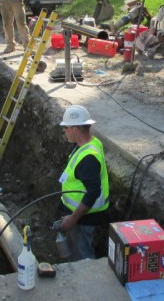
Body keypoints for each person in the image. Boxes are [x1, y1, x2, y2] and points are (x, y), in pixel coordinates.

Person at [56, 105, 110, 260]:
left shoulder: (88, 158)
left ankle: (86, 279)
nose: (64, 131)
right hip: (79, 212)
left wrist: (73, 218)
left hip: (84, 217)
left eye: (65, 128)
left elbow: (93, 192)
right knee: (78, 247)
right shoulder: (91, 143)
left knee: (82, 252)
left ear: (75, 129)